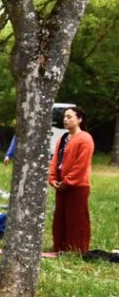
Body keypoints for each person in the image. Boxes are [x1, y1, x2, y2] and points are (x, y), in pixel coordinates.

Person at [49, 106, 94, 254]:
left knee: (76, 219)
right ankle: (60, 247)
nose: (65, 119)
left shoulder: (85, 139)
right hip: (61, 185)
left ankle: (77, 249)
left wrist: (67, 182)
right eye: (64, 117)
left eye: (69, 117)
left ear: (79, 119)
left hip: (77, 186)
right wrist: (53, 178)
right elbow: (55, 160)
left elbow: (81, 165)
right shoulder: (62, 138)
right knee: (60, 219)